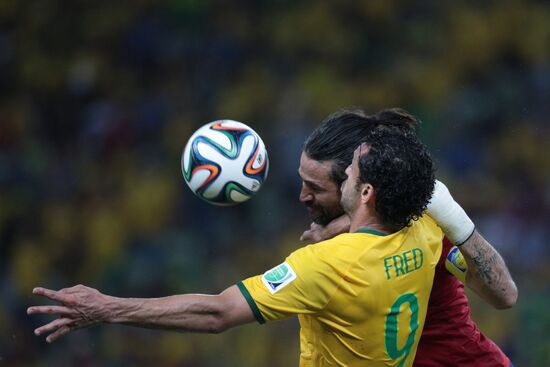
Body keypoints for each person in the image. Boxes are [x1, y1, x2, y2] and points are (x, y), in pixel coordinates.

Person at [29, 126, 442, 367]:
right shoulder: (425, 229)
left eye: (349, 174)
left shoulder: (325, 265)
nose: (348, 174)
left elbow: (218, 313)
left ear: (367, 191)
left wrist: (107, 308)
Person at [298, 108, 518, 366]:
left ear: (356, 182)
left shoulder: (417, 223)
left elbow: (504, 295)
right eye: (302, 181)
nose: (302, 196)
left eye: (315, 187)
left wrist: (452, 216)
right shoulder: (332, 241)